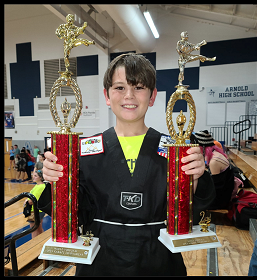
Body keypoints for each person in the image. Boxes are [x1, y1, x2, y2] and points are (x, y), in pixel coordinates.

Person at [42, 53, 215, 275]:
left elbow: (189, 207)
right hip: (100, 261)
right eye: (120, 88)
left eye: (139, 87)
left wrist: (196, 176)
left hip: (158, 261)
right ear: (107, 95)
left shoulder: (175, 150)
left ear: (152, 97)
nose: (129, 96)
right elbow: (76, 211)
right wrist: (55, 178)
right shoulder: (83, 150)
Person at [24, 169, 48, 238]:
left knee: (33, 229)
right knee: (39, 228)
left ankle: (34, 244)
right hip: (39, 210)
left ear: (40, 177)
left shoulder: (40, 187)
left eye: (35, 176)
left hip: (34, 211)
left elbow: (32, 201)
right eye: (33, 175)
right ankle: (41, 241)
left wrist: (26, 201)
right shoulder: (40, 185)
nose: (33, 177)